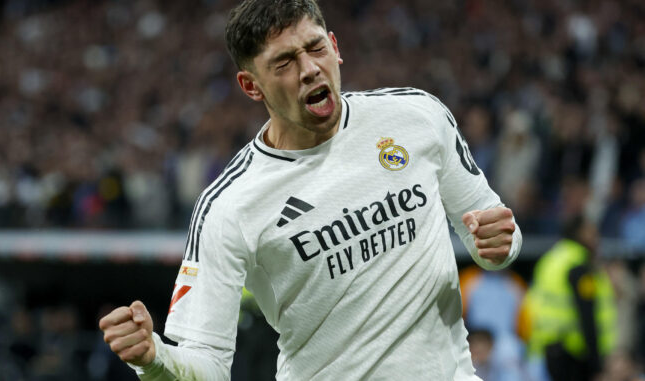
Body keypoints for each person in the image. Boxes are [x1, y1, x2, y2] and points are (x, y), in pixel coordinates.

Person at [98, 1, 522, 380]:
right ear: (251, 86)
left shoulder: (417, 117)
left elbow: (491, 229)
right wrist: (153, 359)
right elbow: (206, 361)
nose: (309, 69)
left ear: (335, 46)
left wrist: (502, 244)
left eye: (316, 48)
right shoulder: (230, 205)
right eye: (283, 63)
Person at [524, 215, 617, 381]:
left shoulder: (550, 259)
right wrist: (596, 364)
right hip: (573, 352)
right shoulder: (578, 264)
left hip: (548, 347)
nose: (596, 238)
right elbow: (587, 313)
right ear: (580, 233)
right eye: (592, 233)